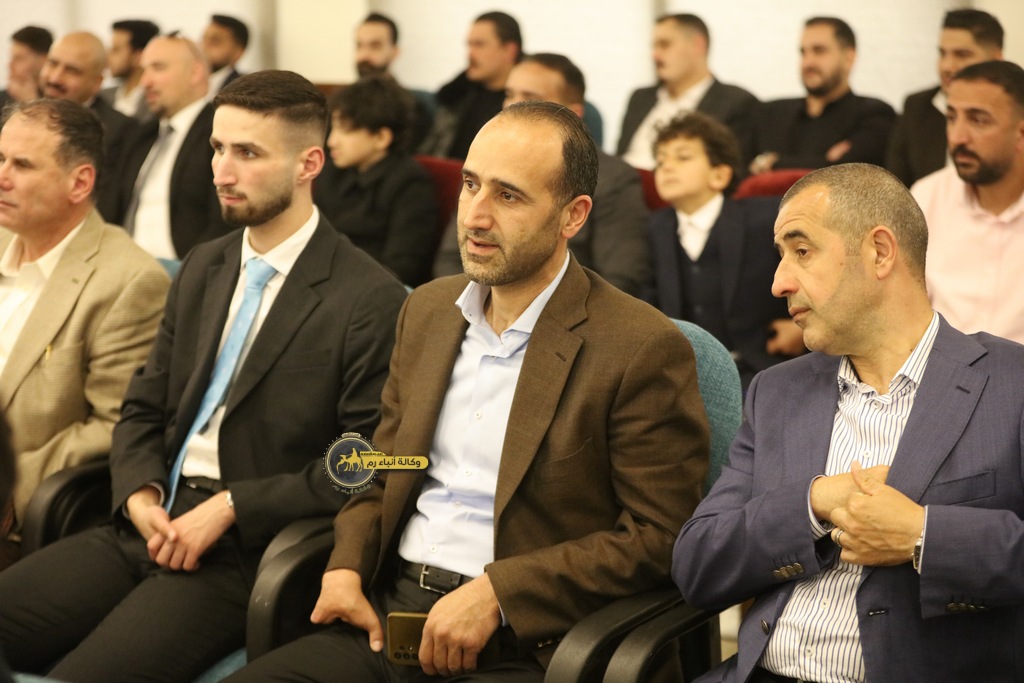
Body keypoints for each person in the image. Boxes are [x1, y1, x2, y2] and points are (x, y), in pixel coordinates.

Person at [229, 100, 710, 682]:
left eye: (508, 196)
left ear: (573, 216)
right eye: (470, 184)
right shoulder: (428, 310)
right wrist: (346, 566)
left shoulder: (639, 346)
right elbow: (385, 465)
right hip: (393, 617)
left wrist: (498, 594)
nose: (476, 216)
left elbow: (661, 537)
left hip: (531, 643)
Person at [0, 69, 407, 682]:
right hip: (147, 522)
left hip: (240, 551)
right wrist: (138, 492)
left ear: (309, 164)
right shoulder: (204, 266)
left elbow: (366, 461)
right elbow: (142, 404)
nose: (221, 171)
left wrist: (233, 506)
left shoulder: (368, 296)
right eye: (218, 148)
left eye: (248, 153)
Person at [673, 162, 1024, 683]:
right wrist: (814, 504)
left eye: (802, 251)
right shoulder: (776, 392)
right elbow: (697, 563)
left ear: (879, 252)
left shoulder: (1010, 385)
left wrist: (924, 536)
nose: (778, 282)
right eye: (780, 256)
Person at [0, 98, 168, 569]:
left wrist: (12, 483)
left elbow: (117, 426)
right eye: (0, 158)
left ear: (80, 182)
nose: (2, 176)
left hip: (18, 511)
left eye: (22, 165)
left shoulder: (128, 281)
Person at [435, 52, 651, 296]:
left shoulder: (614, 179)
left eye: (531, 99)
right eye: (509, 94)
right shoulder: (483, 164)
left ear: (573, 113)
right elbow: (451, 258)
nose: (512, 107)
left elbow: (620, 280)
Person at [645, 112, 798, 389]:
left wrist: (800, 326)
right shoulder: (653, 229)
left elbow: (813, 271)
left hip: (760, 367)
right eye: (660, 160)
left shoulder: (766, 220)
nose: (666, 167)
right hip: (684, 375)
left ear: (719, 175)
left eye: (682, 157)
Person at [911, 60, 1024, 345]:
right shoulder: (927, 197)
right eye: (952, 118)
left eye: (978, 120)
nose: (958, 137)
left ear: (1021, 133)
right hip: (939, 366)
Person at [115, 34, 232, 260]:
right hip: (127, 266)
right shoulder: (140, 136)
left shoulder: (220, 133)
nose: (145, 82)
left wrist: (191, 271)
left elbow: (225, 223)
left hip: (187, 267)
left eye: (158, 68)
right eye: (143, 70)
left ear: (195, 73)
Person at [314, 75, 439, 286]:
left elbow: (402, 267)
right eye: (333, 128)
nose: (332, 141)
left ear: (381, 138)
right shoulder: (332, 172)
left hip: (374, 289)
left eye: (345, 130)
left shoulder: (411, 184)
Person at [749, 18, 895, 175]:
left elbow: (846, 173)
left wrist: (774, 162)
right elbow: (741, 171)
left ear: (849, 58)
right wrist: (824, 161)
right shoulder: (770, 113)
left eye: (819, 51)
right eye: (803, 52)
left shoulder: (875, 114)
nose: (808, 62)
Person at [619, 14, 759, 170]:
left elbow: (732, 170)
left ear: (698, 45)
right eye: (654, 47)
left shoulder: (736, 103)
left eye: (665, 45)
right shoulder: (640, 98)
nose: (655, 55)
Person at [886, 9, 1004, 187]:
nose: (947, 66)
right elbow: (894, 188)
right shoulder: (917, 106)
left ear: (996, 59)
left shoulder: (1015, 109)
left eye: (962, 55)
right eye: (943, 54)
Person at [40, 31, 136, 221]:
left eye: (72, 71)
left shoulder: (120, 132)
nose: (55, 78)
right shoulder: (25, 118)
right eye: (52, 63)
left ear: (97, 82)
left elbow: (104, 207)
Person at [419, 11, 521, 160]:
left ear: (509, 50)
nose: (470, 54)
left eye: (479, 45)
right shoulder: (464, 91)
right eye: (469, 45)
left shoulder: (523, 103)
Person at [354, 12, 433, 150]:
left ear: (394, 51)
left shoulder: (412, 106)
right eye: (359, 45)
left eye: (375, 46)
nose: (364, 55)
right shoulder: (344, 103)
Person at [100, 19, 161, 123]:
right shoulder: (103, 97)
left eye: (116, 50)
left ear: (139, 56)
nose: (108, 57)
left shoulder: (155, 103)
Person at [0, 26, 52, 107]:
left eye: (19, 58)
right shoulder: (2, 99)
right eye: (12, 57)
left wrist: (29, 101)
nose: (10, 65)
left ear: (44, 60)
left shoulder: (57, 96)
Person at [201, 14, 248, 95]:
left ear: (238, 52)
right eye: (204, 38)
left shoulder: (243, 91)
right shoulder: (186, 82)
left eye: (215, 41)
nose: (204, 46)